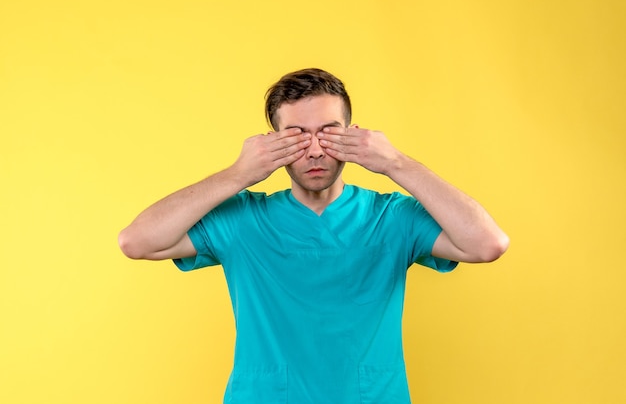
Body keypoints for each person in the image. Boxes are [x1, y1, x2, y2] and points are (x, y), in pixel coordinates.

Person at [118, 68, 509, 403]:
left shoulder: (391, 217)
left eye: (329, 132)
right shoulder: (244, 219)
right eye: (297, 136)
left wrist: (396, 163)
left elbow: (487, 243)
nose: (316, 150)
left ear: (353, 134)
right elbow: (136, 241)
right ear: (273, 141)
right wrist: (237, 174)